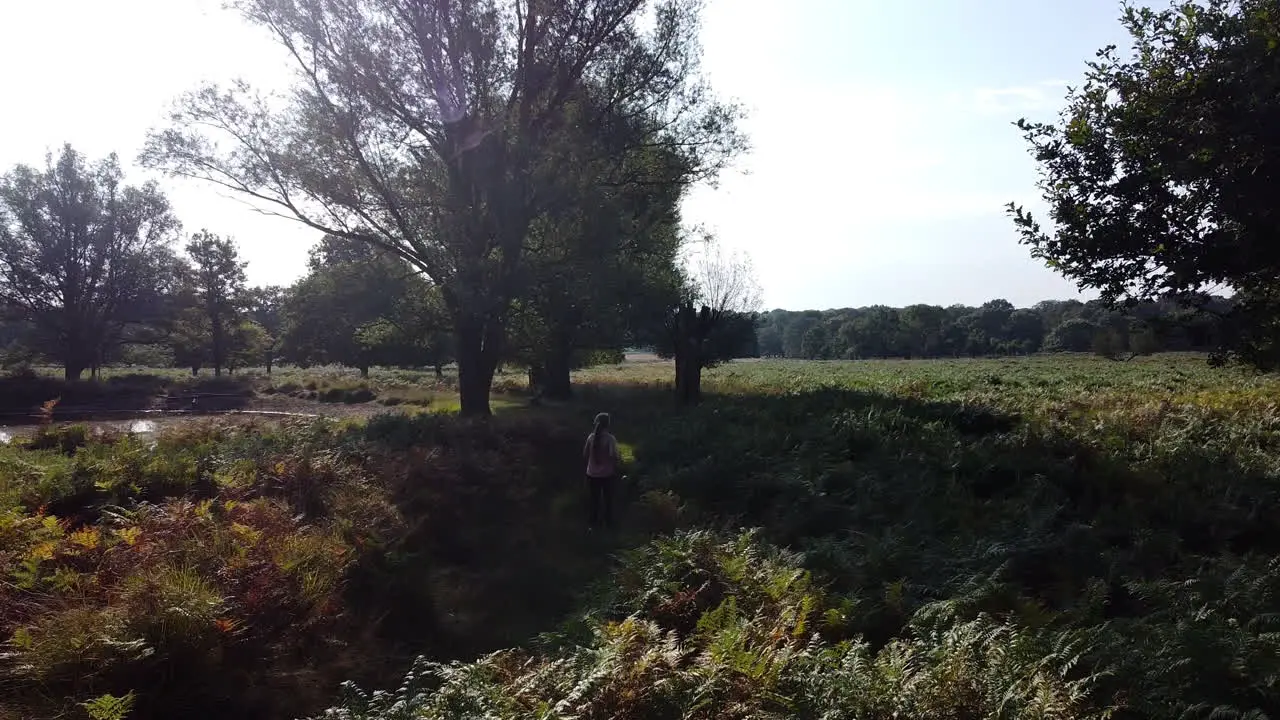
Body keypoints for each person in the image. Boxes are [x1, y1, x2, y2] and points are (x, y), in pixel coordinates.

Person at [584, 412, 621, 530]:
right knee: (608, 500)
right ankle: (608, 524)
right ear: (608, 424)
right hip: (607, 474)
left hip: (591, 473)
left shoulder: (591, 437)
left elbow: (585, 453)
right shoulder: (610, 439)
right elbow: (613, 456)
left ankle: (592, 524)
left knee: (594, 500)